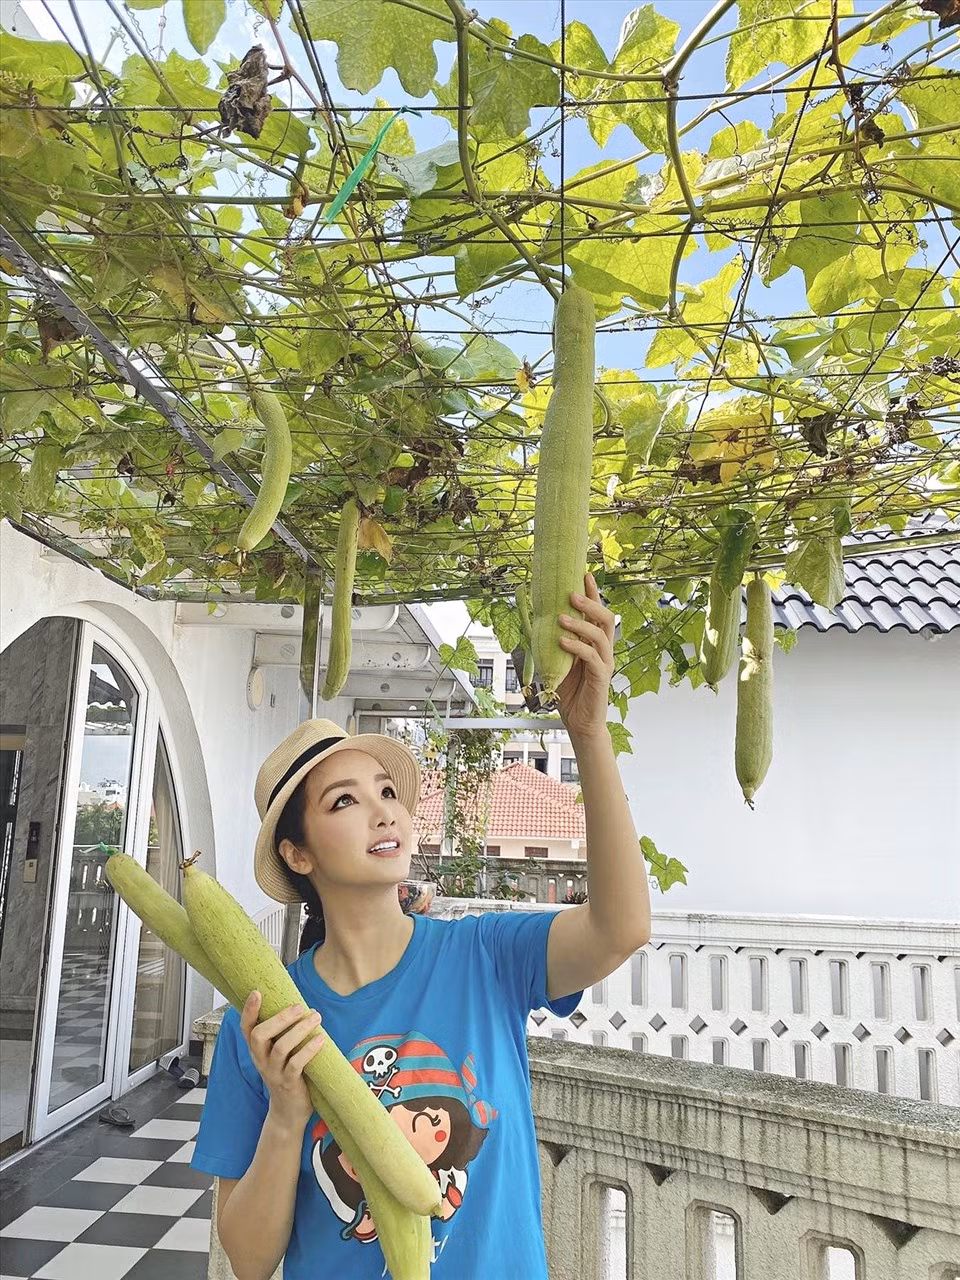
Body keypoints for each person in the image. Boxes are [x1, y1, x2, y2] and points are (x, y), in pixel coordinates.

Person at [192, 574, 652, 1280]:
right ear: (298, 853)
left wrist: (587, 734)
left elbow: (621, 927)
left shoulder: (485, 956)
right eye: (345, 801)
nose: (384, 812)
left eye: (386, 793)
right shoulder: (261, 1026)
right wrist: (287, 1114)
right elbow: (250, 1261)